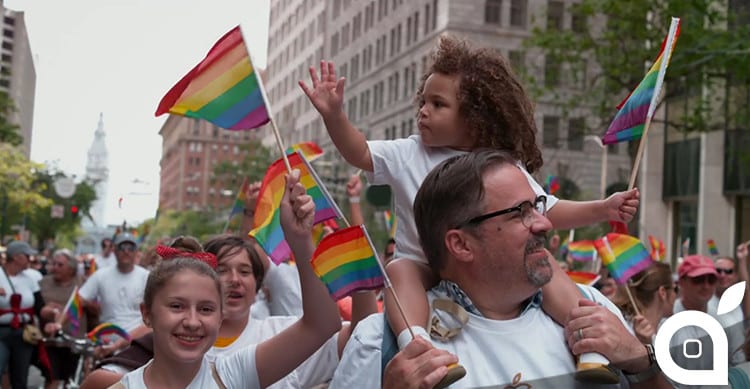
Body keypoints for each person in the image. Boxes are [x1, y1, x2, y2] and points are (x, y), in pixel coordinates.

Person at [300, 35, 640, 370]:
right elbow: (358, 151)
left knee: (547, 266)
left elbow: (547, 209)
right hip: (425, 266)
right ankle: (417, 347)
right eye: (424, 101)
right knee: (398, 270)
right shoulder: (408, 152)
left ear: (476, 117)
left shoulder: (503, 166)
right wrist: (334, 116)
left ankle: (590, 347)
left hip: (487, 271)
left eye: (438, 105)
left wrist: (602, 208)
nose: (424, 111)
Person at [330, 150, 665, 388]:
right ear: (460, 244)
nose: (544, 222)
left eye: (536, 206)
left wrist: (641, 362)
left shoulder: (595, 315)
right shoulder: (380, 344)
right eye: (520, 212)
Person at [116, 169, 341, 388]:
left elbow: (322, 325)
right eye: (177, 306)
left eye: (206, 309)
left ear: (221, 316)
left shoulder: (232, 375)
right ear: (147, 314)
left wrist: (300, 239)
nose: (192, 322)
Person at [78, 233, 151, 358]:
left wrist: (118, 345)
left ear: (136, 252)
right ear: (114, 250)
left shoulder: (147, 277)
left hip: (137, 344)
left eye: (131, 248)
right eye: (122, 247)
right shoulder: (101, 275)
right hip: (106, 342)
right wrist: (58, 324)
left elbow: (153, 320)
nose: (126, 251)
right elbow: (78, 300)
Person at [38, 248, 88, 389]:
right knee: (51, 377)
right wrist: (49, 311)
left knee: (71, 380)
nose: (55, 268)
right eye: (53, 264)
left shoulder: (82, 283)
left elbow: (95, 307)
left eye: (60, 265)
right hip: (50, 340)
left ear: (71, 268)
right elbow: (37, 307)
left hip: (74, 340)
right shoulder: (43, 283)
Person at [0, 241, 45, 389]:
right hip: (1, 331)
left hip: (23, 332)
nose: (30, 259)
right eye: (27, 256)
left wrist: (49, 315)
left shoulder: (30, 278)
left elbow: (39, 305)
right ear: (17, 257)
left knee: (20, 376)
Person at [612, 262, 676, 344]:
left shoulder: (668, 332)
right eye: (675, 289)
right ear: (662, 292)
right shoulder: (625, 332)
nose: (676, 295)